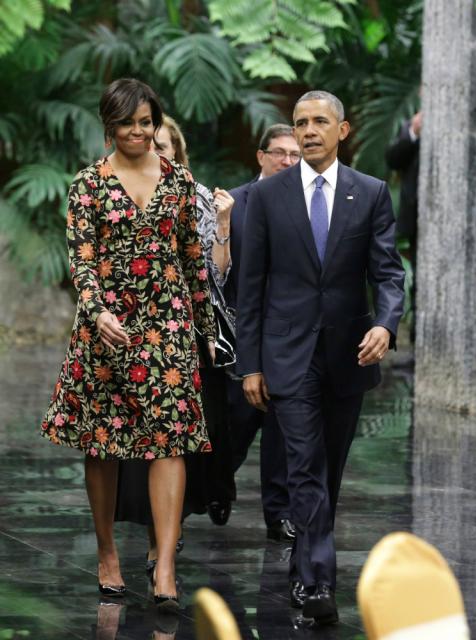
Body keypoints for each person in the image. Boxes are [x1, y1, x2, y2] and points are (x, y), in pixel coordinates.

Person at [40, 78, 216, 613]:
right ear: (109, 125)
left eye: (147, 122)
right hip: (107, 333)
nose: (139, 132)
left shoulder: (180, 182)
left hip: (168, 328)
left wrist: (206, 329)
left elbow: (191, 258)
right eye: (128, 123)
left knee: (169, 441)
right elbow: (82, 262)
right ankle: (107, 551)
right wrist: (98, 312)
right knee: (104, 445)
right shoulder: (87, 185)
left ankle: (164, 565)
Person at [236, 90, 405, 625]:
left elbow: (388, 273)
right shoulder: (267, 198)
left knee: (327, 472)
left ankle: (304, 567)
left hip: (347, 354)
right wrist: (251, 365)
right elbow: (252, 286)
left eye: (319, 122)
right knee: (305, 467)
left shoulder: (371, 192)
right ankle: (316, 584)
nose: (308, 131)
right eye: (300, 122)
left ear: (342, 130)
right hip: (287, 356)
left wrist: (385, 322)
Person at [114, 115, 236, 576]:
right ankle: (155, 538)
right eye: (150, 142)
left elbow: (216, 274)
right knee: (142, 443)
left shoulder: (197, 196)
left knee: (179, 443)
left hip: (188, 334)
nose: (156, 149)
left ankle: (168, 537)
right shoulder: (116, 190)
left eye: (164, 144)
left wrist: (222, 224)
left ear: (178, 152)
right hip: (131, 336)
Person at [224, 124, 301, 542]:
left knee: (282, 432)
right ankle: (217, 487)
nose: (287, 161)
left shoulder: (305, 203)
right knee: (235, 426)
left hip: (289, 336)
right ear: (261, 156)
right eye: (279, 153)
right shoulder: (233, 203)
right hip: (242, 334)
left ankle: (279, 512)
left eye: (294, 155)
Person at [385, 110, 421, 342]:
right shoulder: (415, 123)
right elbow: (393, 159)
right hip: (422, 220)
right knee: (422, 283)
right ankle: (419, 350)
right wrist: (414, 132)